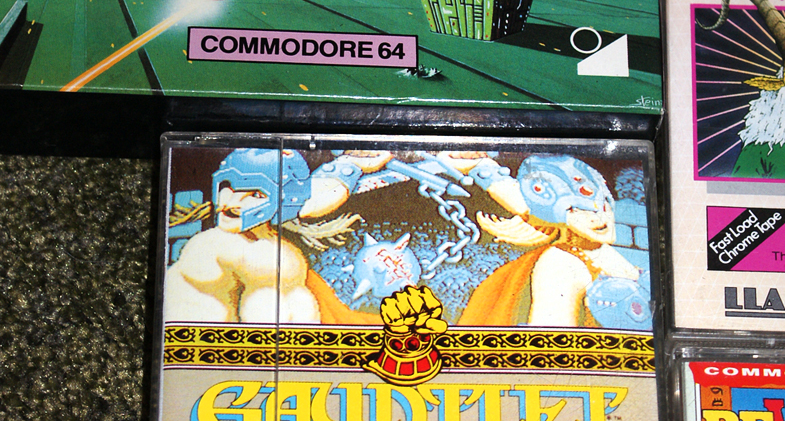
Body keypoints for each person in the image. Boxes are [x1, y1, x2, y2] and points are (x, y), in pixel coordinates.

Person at [164, 147, 390, 323]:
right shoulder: (220, 247)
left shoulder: (272, 246)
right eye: (228, 187)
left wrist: (349, 164)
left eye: (255, 194)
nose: (231, 202)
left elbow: (313, 197)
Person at [444, 152, 645, 328]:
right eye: (575, 209)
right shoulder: (561, 263)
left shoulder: (607, 252)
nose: (597, 218)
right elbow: (551, 344)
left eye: (602, 205)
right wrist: (480, 166)